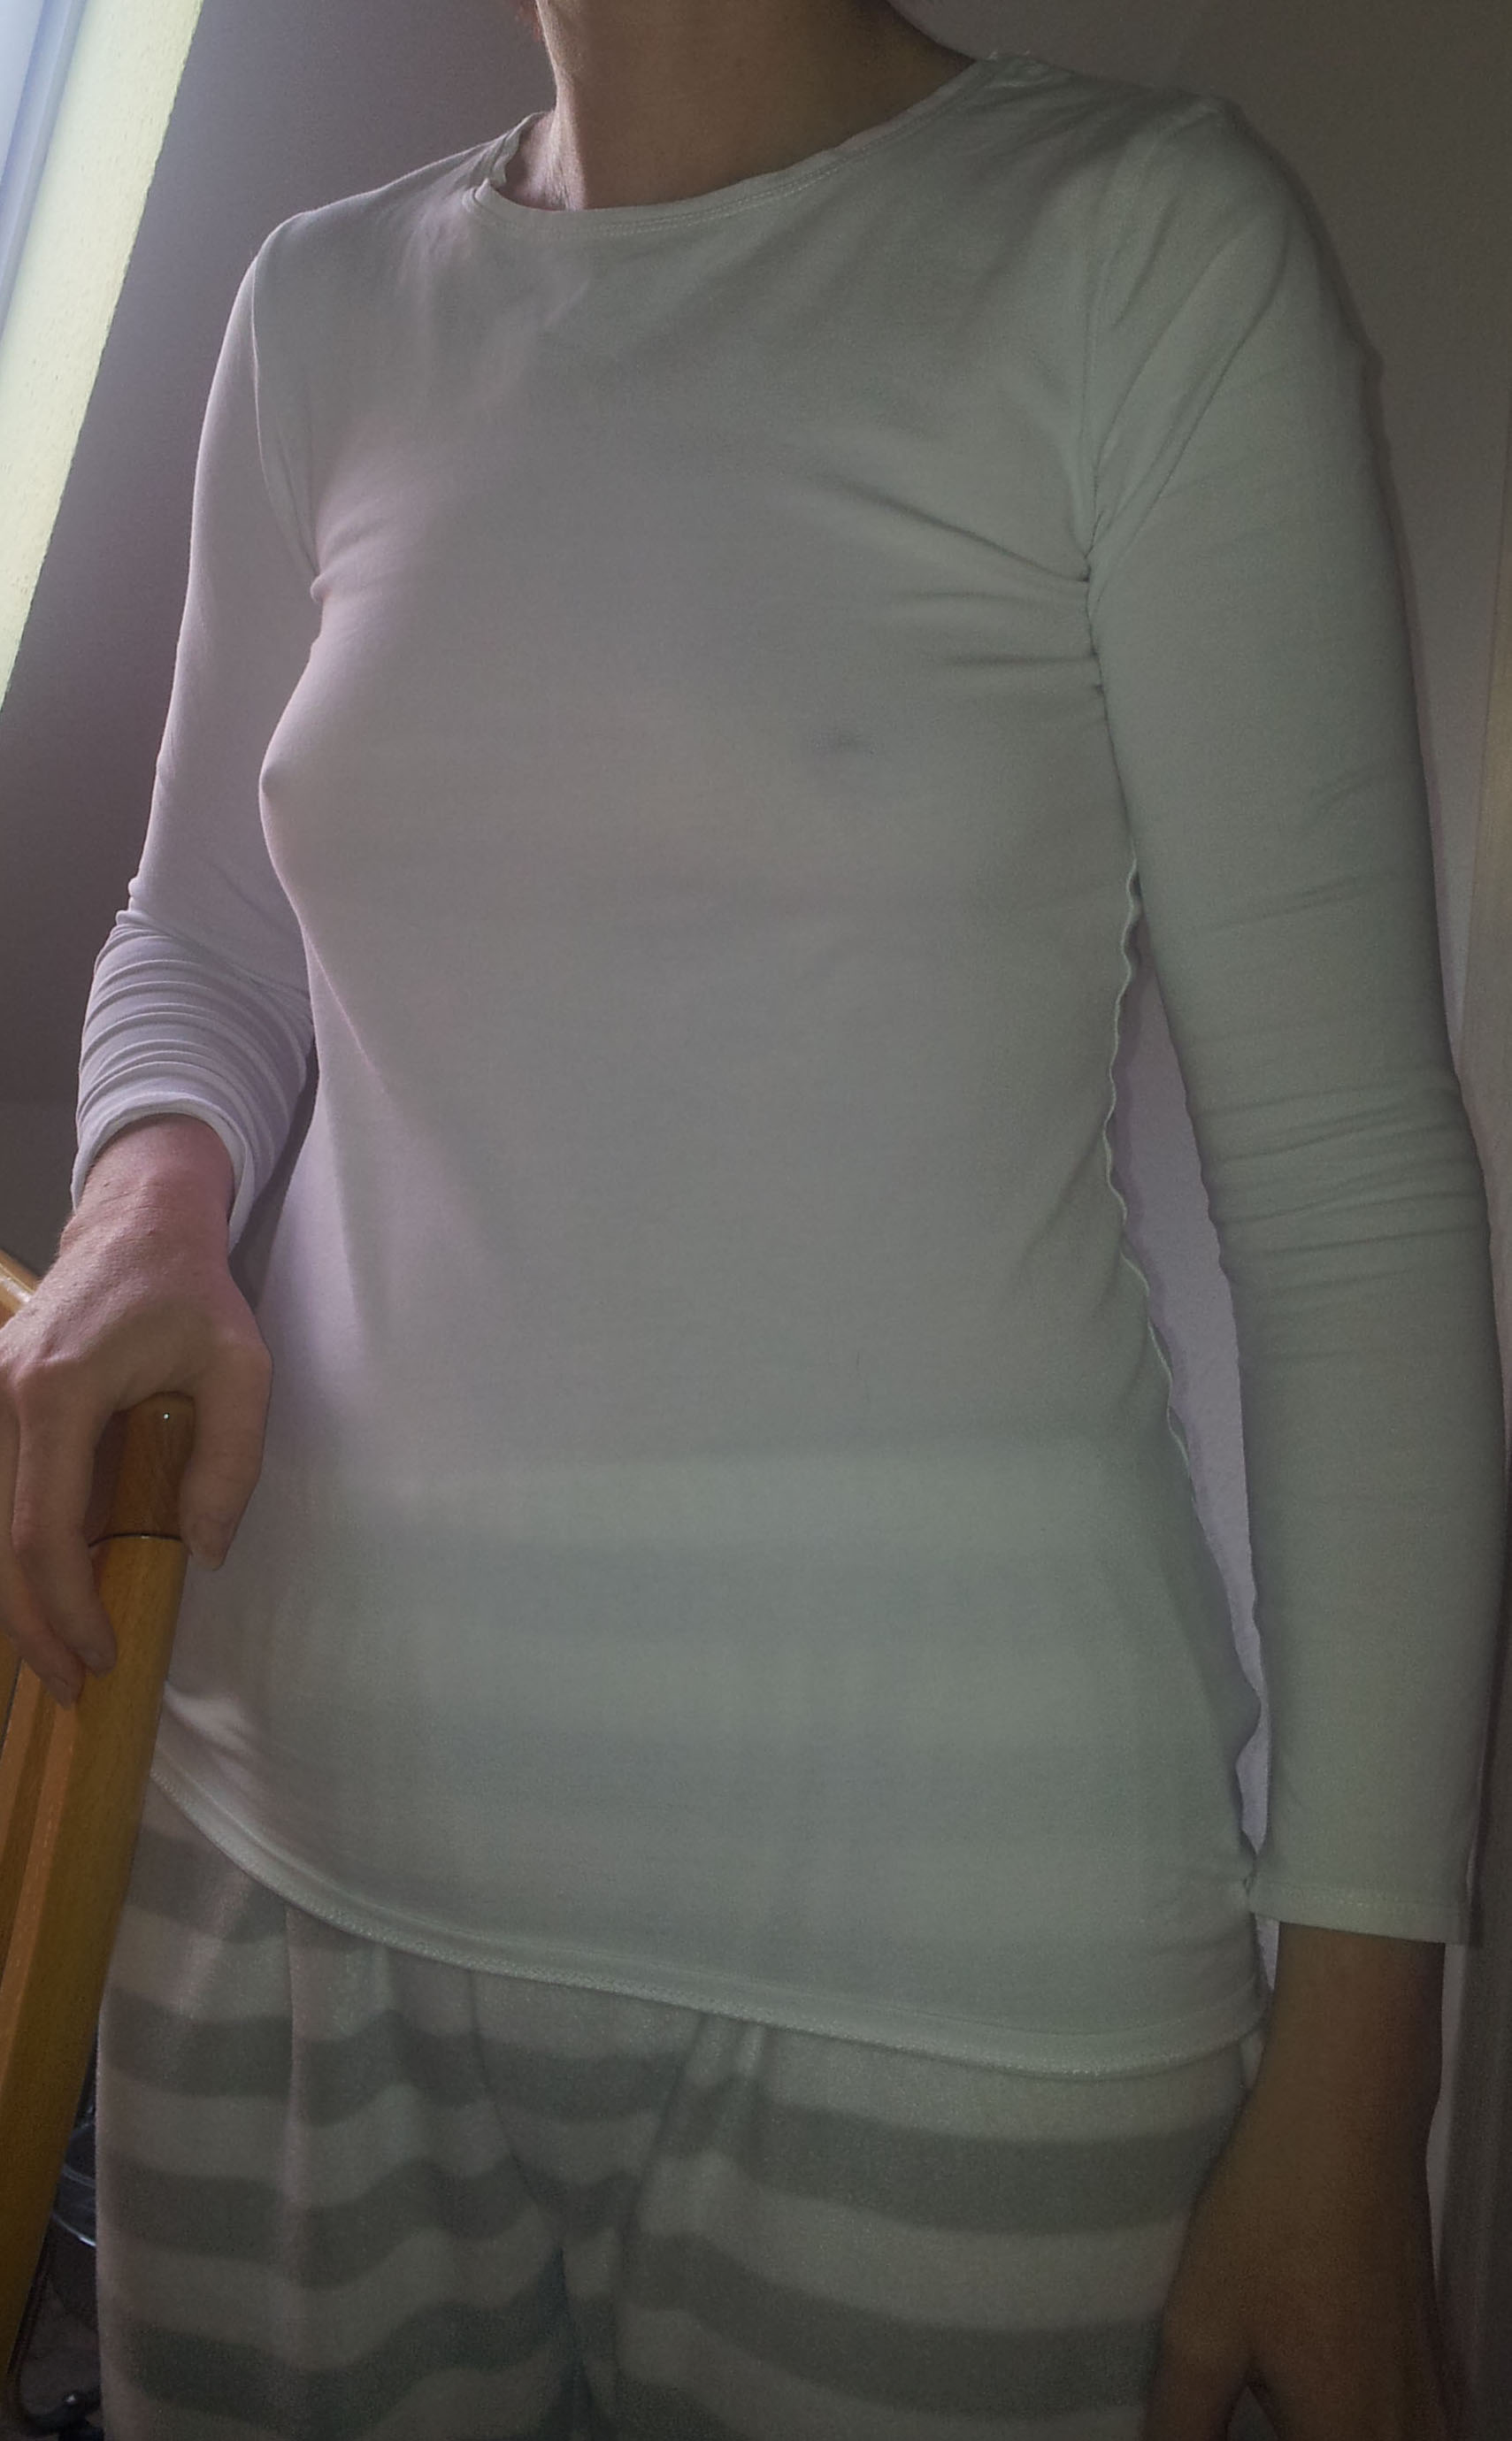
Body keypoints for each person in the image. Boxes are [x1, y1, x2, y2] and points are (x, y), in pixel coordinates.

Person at [0, 0, 1503, 2432]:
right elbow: (206, 933)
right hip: (292, 1872)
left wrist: (1359, 2072)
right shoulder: (322, 307)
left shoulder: (1131, 251)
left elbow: (1344, 1194)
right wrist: (144, 1202)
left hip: (944, 1975)